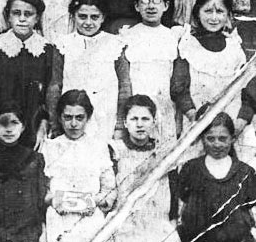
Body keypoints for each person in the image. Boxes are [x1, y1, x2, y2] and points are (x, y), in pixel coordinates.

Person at [170, 0, 256, 161]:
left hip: (236, 126)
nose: (214, 17)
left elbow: (249, 90)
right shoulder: (188, 44)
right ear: (197, 12)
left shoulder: (235, 45)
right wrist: (197, 120)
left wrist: (239, 124)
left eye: (220, 11)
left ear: (228, 15)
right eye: (208, 11)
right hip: (198, 125)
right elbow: (180, 88)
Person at [48, 0, 131, 142]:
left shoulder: (115, 44)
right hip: (72, 118)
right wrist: (55, 124)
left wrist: (120, 126)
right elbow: (55, 85)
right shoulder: (63, 44)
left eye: (94, 17)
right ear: (73, 16)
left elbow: (124, 86)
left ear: (103, 18)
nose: (88, 22)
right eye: (82, 16)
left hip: (105, 116)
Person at [0, 0, 55, 149]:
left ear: (37, 18)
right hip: (0, 128)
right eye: (16, 13)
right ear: (8, 16)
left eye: (28, 14)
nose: (22, 19)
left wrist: (43, 126)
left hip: (33, 127)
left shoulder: (45, 50)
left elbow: (48, 93)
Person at [41, 90, 116, 242]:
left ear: (88, 118)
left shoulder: (98, 146)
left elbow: (109, 188)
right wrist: (53, 200)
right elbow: (41, 187)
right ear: (60, 118)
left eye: (79, 118)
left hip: (90, 221)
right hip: (59, 220)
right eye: (68, 117)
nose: (73, 124)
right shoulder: (50, 147)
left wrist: (94, 201)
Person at [177, 110, 256, 242]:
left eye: (223, 138)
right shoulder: (190, 169)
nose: (217, 144)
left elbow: (251, 211)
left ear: (232, 138)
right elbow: (183, 208)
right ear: (202, 138)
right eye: (210, 138)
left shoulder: (245, 172)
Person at [120, 0, 181, 145]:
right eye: (145, 1)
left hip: (165, 107)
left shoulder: (174, 37)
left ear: (166, 6)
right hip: (136, 110)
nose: (151, 6)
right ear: (136, 6)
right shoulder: (127, 37)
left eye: (156, 0)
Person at [112, 95, 176, 242]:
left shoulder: (164, 152)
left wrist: (172, 219)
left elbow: (173, 187)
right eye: (134, 119)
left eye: (145, 119)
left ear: (154, 122)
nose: (139, 124)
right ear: (125, 123)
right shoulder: (116, 150)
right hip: (125, 227)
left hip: (157, 225)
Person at [0, 101, 46, 242]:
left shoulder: (34, 159)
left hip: (25, 233)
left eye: (14, 123)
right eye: (3, 124)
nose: (9, 129)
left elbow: (40, 199)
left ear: (23, 127)